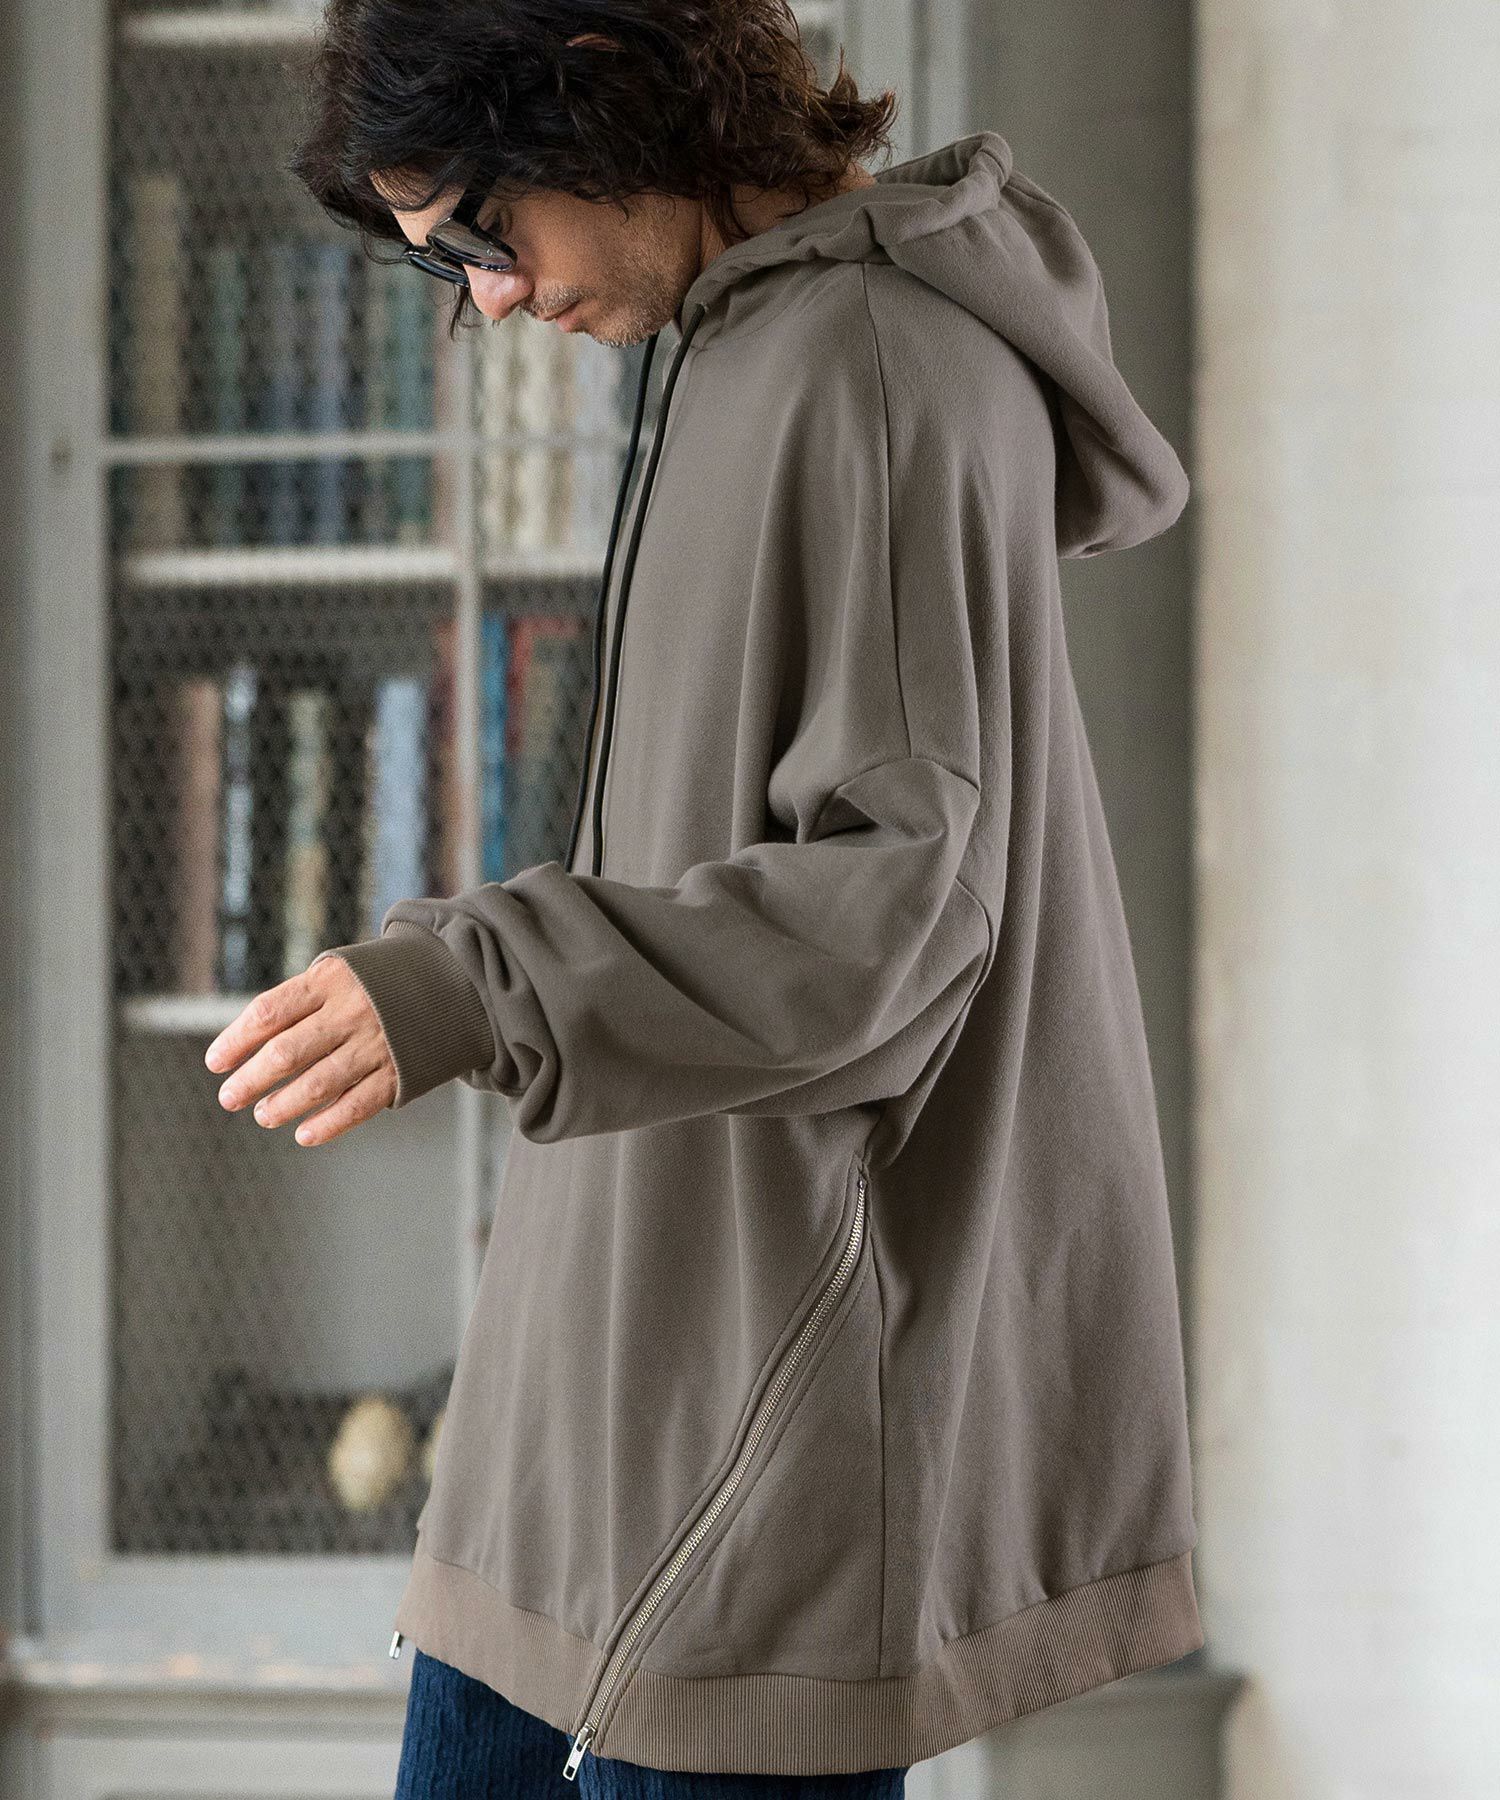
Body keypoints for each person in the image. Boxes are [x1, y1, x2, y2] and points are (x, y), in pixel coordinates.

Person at [204, 0, 1205, 1792]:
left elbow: (892, 921)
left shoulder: (874, 363)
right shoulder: (737, 345)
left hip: (750, 1429)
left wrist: (477, 981)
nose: (495, 297)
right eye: (445, 267)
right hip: (589, 1413)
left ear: (596, 85)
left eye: (483, 231)